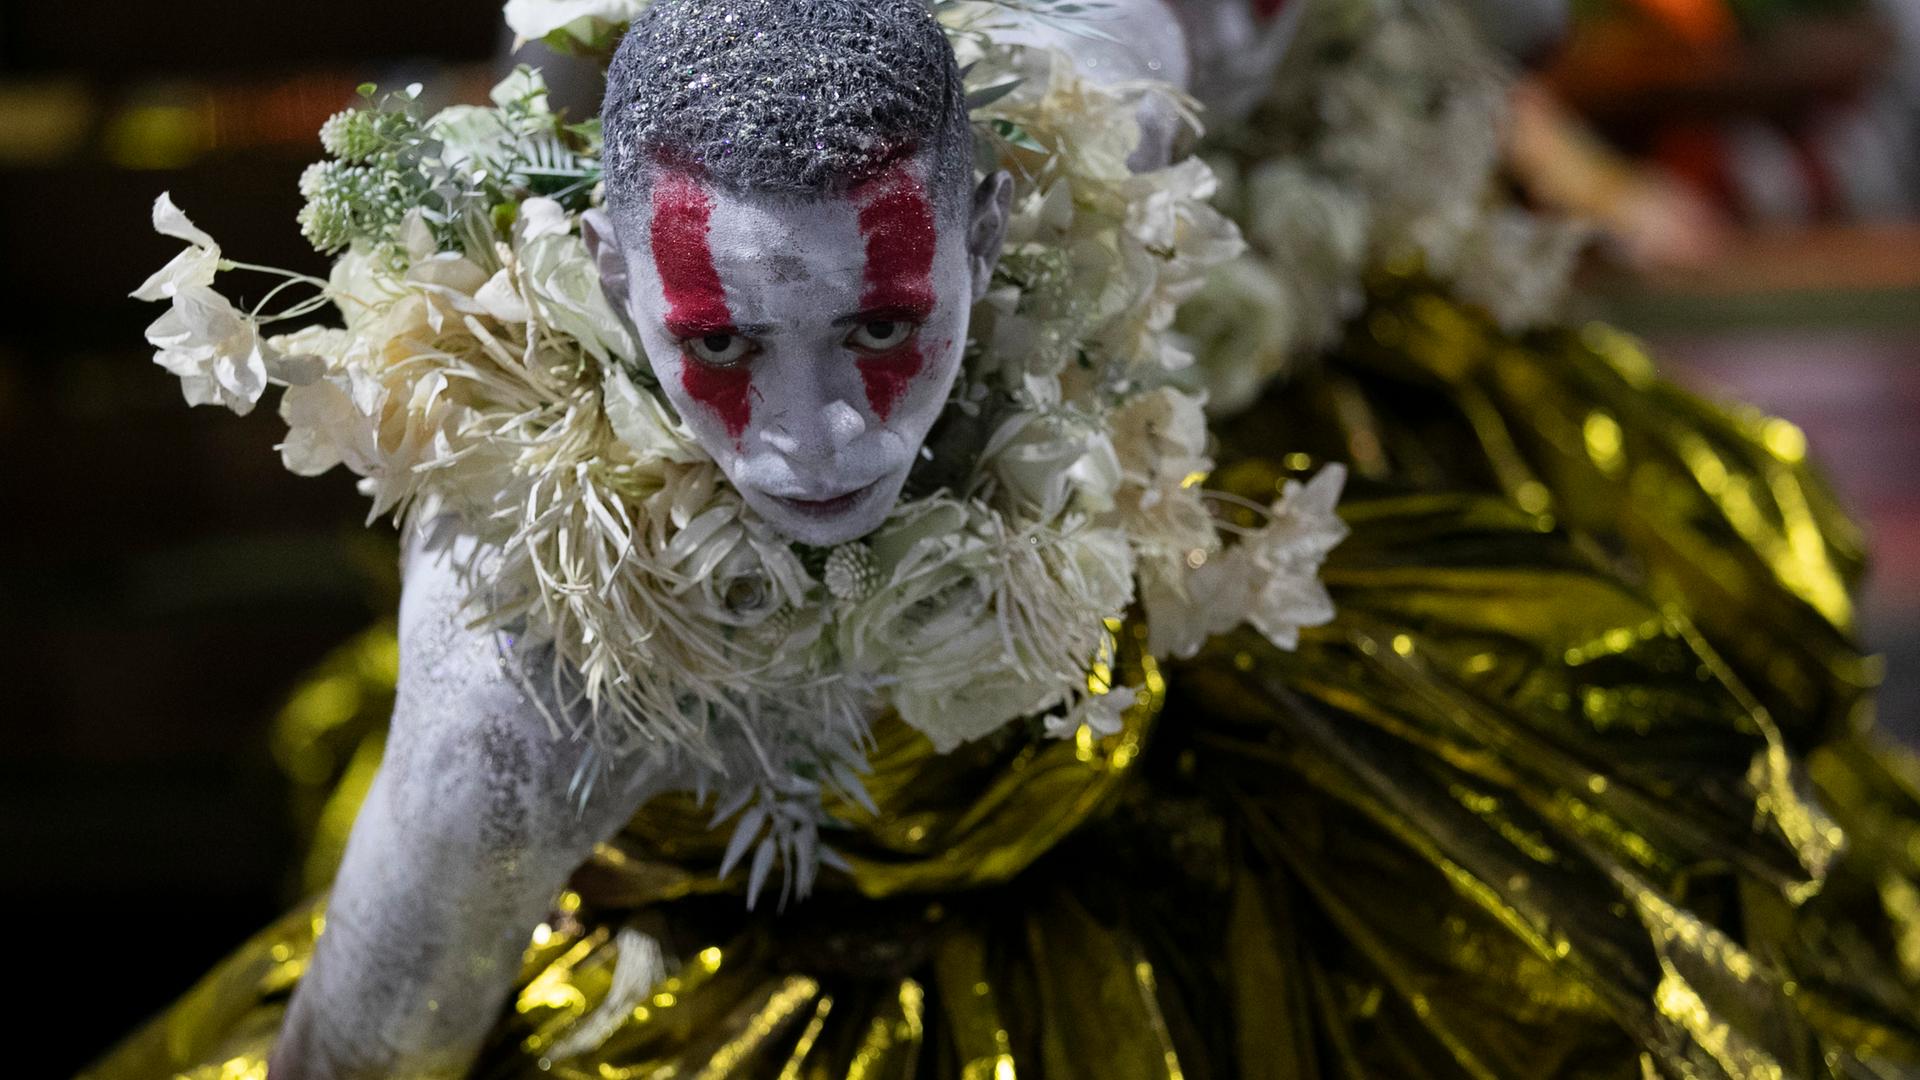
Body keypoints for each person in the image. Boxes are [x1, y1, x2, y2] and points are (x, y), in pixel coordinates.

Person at [92, 0, 1920, 1077]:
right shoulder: (529, 625)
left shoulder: (1102, 133)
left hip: (1219, 600)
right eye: (723, 349)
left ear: (1003, 237)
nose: (814, 440)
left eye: (886, 329)